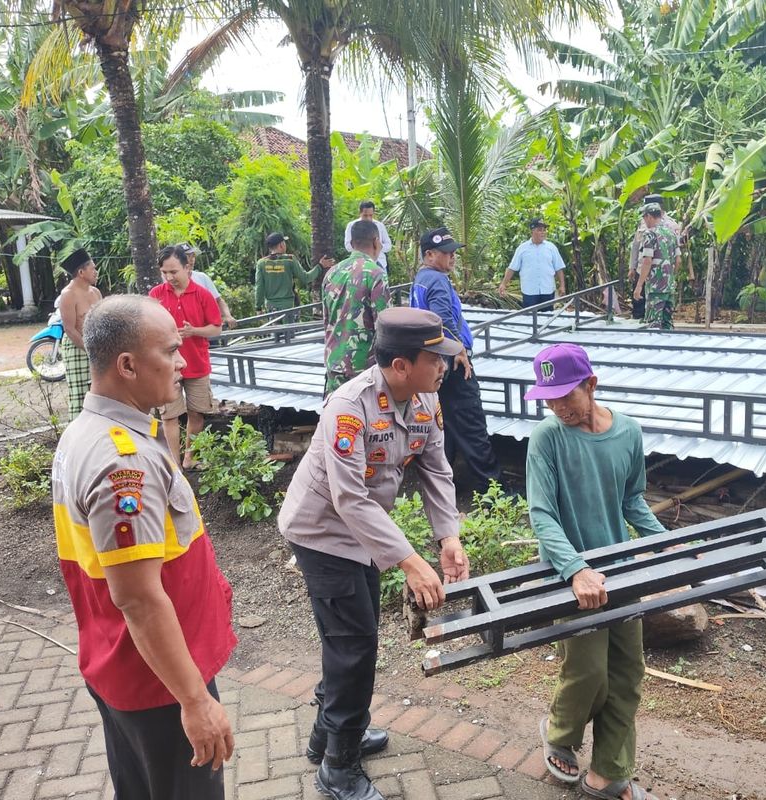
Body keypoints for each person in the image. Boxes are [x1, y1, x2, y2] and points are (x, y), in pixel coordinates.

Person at [279, 307, 469, 800]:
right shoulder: (349, 406)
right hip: (322, 532)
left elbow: (436, 469)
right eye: (435, 358)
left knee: (352, 640)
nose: (444, 366)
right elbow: (348, 499)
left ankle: (330, 733)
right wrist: (411, 561)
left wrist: (448, 536)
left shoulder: (426, 399)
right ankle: (338, 769)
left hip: (364, 532)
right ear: (401, 366)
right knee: (354, 646)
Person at [52, 294, 236, 799]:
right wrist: (195, 701)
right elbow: (137, 597)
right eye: (170, 351)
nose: (182, 363)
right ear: (127, 365)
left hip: (132, 667)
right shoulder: (121, 463)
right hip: (159, 683)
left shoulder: (87, 431)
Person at [524, 343, 666, 800]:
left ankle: (609, 772)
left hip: (619, 572)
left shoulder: (628, 434)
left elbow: (631, 501)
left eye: (566, 395)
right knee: (589, 673)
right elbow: (542, 514)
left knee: (627, 672)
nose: (557, 407)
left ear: (592, 384)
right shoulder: (547, 438)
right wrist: (574, 569)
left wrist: (668, 543)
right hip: (570, 575)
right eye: (549, 398)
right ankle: (562, 732)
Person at [410, 227, 502, 491]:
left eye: (454, 252)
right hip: (451, 361)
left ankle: (443, 484)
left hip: (434, 363)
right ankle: (491, 487)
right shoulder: (437, 280)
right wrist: (459, 349)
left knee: (445, 424)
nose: (453, 258)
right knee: (471, 422)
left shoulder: (422, 278)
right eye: (447, 253)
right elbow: (442, 320)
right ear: (429, 254)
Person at [149, 246, 222, 469]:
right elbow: (147, 327)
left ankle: (190, 457)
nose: (169, 277)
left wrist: (195, 331)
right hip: (166, 367)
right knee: (169, 415)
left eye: (174, 272)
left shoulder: (203, 294)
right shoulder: (155, 295)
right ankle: (175, 464)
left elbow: (216, 329)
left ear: (187, 267)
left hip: (197, 363)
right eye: (164, 272)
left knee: (196, 411)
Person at [323, 220, 391, 396]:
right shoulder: (375, 273)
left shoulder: (331, 273)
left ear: (352, 244)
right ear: (376, 242)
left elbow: (327, 321)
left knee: (337, 419)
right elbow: (384, 326)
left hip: (334, 364)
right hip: (364, 370)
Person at [56, 248, 102, 420]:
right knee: (80, 393)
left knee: (99, 392)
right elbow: (70, 329)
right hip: (77, 347)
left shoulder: (95, 292)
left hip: (97, 346)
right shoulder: (68, 295)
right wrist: (89, 350)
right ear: (81, 272)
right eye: (93, 269)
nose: (96, 272)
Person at [254, 233, 330, 319]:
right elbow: (306, 278)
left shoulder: (261, 263)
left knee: (274, 331)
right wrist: (320, 266)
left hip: (271, 308)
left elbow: (259, 287)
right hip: (289, 307)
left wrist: (258, 308)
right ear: (281, 245)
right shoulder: (290, 260)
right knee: (290, 331)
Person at [498, 218, 567, 307]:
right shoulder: (522, 248)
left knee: (547, 318)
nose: (543, 232)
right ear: (532, 231)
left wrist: (562, 286)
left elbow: (559, 268)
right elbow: (512, 268)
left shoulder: (551, 247)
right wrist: (503, 284)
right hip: (529, 291)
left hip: (547, 290)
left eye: (544, 230)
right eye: (539, 230)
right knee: (530, 318)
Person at [632, 202, 680, 330]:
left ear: (649, 216)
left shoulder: (650, 235)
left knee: (654, 324)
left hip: (655, 288)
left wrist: (639, 285)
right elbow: (678, 260)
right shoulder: (671, 234)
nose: (644, 220)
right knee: (668, 323)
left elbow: (647, 261)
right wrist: (670, 277)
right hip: (669, 287)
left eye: (644, 217)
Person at [178, 243, 237, 330]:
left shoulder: (202, 277)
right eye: (187, 256)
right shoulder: (171, 281)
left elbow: (218, 300)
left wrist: (227, 315)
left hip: (207, 329)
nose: (191, 260)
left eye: (193, 256)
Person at [343, 201, 393, 271]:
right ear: (360, 213)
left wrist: (378, 247)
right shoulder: (352, 225)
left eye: (371, 215)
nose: (368, 218)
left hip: (380, 263)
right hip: (359, 264)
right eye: (365, 215)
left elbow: (388, 245)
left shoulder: (380, 226)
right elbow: (348, 246)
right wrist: (364, 248)